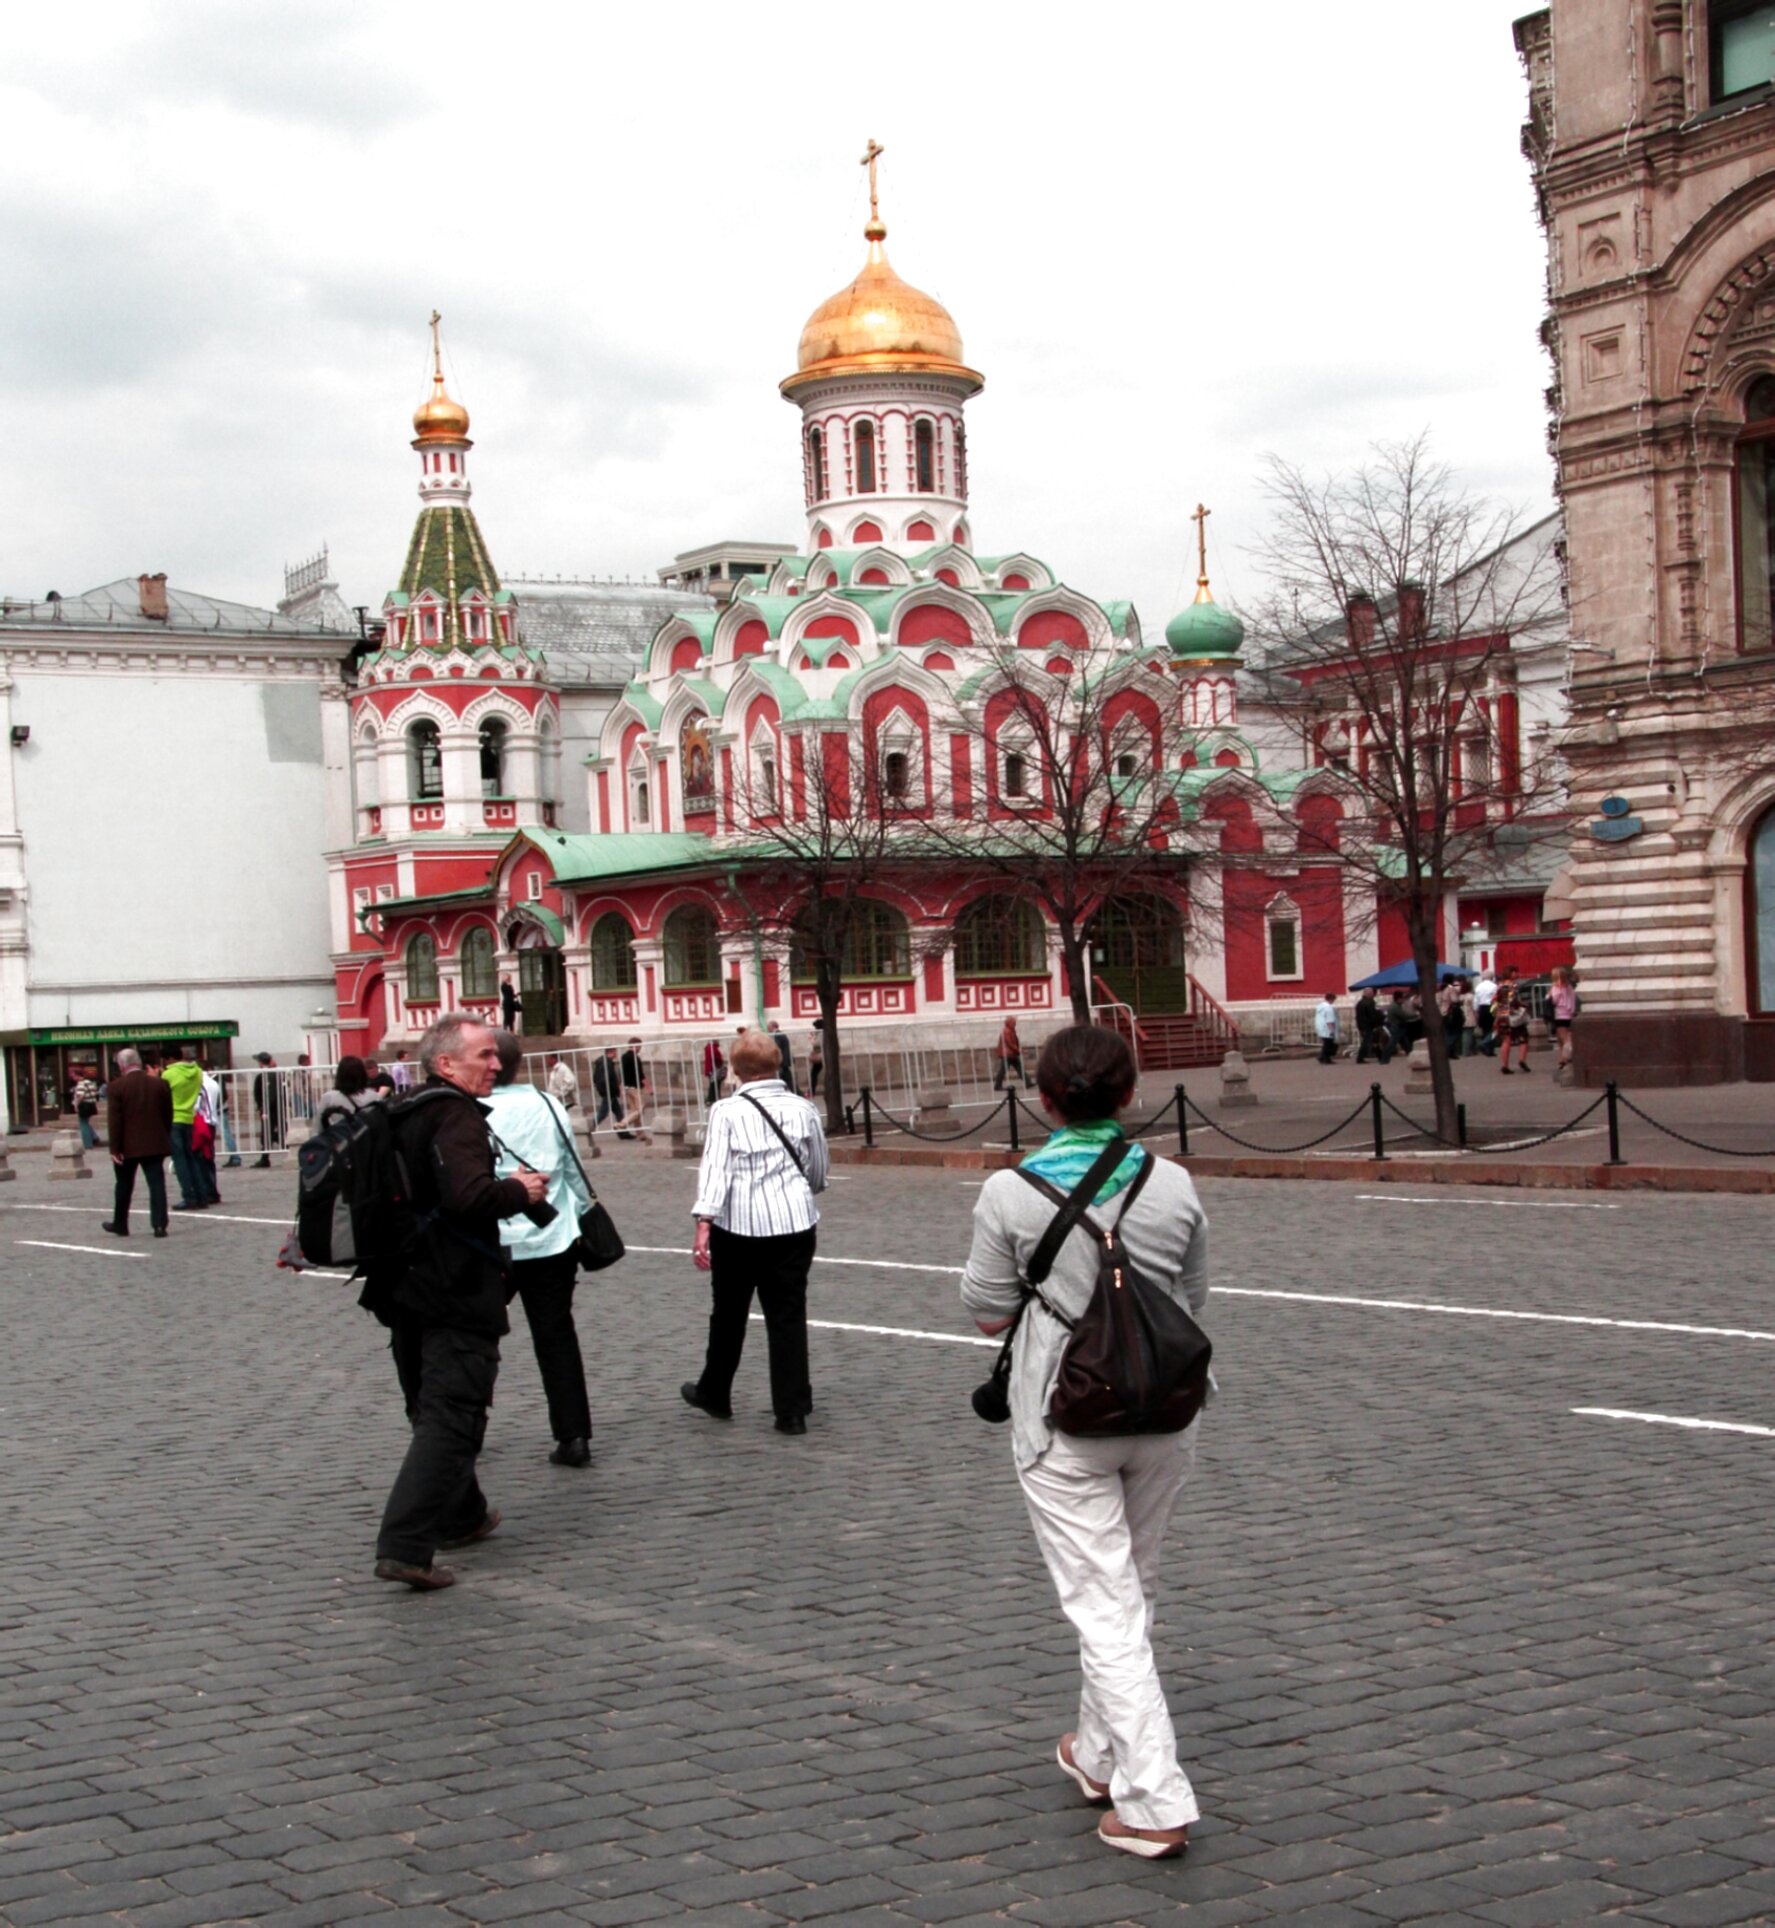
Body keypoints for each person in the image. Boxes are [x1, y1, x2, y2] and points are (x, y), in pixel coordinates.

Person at [961, 1023, 1208, 1861]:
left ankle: (1151, 1796)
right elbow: (1191, 1295)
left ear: (1043, 1098)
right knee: (1129, 1589)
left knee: (1103, 1606)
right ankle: (1097, 1753)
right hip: (1166, 1411)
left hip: (1062, 1414)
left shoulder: (1009, 1191)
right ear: (1131, 1092)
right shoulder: (1172, 1182)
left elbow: (988, 1310)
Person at [368, 1015, 547, 1591]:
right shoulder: (453, 1114)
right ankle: (405, 1545)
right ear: (446, 1063)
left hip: (404, 1284)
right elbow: (469, 1197)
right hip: (452, 1285)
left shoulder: (404, 1110)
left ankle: (463, 1513)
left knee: (433, 1404)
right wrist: (520, 1190)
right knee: (453, 1411)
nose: (497, 1064)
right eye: (485, 1056)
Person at [682, 1028, 829, 1434]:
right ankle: (792, 1408)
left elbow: (715, 1172)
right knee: (788, 1314)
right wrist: (801, 1192)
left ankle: (715, 1391)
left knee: (729, 1312)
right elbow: (818, 1168)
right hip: (795, 1224)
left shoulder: (726, 1112)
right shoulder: (803, 1109)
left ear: (737, 1070)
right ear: (776, 1064)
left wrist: (704, 1223)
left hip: (739, 1227)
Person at [487, 1029, 595, 1467]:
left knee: (475, 1337)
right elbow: (572, 1167)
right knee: (556, 1336)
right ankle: (574, 1436)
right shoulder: (548, 1103)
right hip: (553, 1236)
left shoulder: (470, 1110)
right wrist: (585, 1212)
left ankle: (461, 1430)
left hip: (492, 1239)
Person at [101, 1047, 173, 1239]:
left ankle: (121, 1223)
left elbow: (114, 1121)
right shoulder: (160, 1084)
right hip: (154, 1143)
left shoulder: (116, 1087)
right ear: (139, 1063)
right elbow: (168, 1115)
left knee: (123, 1185)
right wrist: (164, 1136)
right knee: (157, 1185)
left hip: (127, 1146)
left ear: (122, 1066)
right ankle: (159, 1225)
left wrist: (114, 1149)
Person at [164, 1045, 208, 1211]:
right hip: (189, 1116)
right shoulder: (196, 1071)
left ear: (169, 1059)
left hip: (174, 1117)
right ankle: (201, 1195)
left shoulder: (168, 1074)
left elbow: (164, 1094)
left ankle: (188, 1196)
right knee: (192, 1158)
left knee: (180, 1160)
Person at [313, 1054, 378, 1132]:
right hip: (366, 1140)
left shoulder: (329, 1097)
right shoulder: (373, 1096)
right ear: (362, 1074)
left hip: (342, 1138)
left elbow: (318, 1128)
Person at [251, 1052, 286, 1167]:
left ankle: (265, 1158)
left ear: (261, 1063)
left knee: (269, 1134)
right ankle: (265, 1157)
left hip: (270, 1109)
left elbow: (268, 1094)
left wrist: (264, 1109)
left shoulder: (266, 1075)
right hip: (276, 1108)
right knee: (276, 1132)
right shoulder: (275, 1073)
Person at [619, 1037, 652, 1143]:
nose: (640, 1048)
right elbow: (641, 1074)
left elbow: (621, 1073)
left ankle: (640, 1134)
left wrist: (621, 1087)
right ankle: (623, 1123)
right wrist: (649, 1088)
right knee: (640, 1109)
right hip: (635, 1087)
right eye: (640, 1046)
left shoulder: (623, 1057)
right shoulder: (635, 1058)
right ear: (636, 1046)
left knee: (635, 1111)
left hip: (627, 1087)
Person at [1549, 966, 1579, 1072]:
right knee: (1563, 1037)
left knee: (1564, 1038)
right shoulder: (1569, 987)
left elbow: (1554, 1001)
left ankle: (1568, 1057)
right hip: (1569, 1014)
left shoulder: (1555, 988)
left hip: (1560, 1015)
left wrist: (1548, 997)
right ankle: (1562, 1059)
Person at [994, 1015, 1033, 1090]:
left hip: (1011, 1054)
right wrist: (1019, 1050)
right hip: (1008, 1054)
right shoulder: (1006, 1031)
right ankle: (997, 1086)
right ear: (1009, 1023)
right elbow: (1010, 1043)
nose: (1015, 1024)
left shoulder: (1010, 1030)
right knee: (1004, 1070)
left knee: (1018, 1068)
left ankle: (1028, 1082)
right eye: (1013, 1022)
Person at [1353, 988, 1391, 1064]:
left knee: (1372, 1041)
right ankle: (1361, 1058)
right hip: (1369, 1025)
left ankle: (1380, 1056)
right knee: (1368, 1041)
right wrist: (1380, 1019)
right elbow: (1373, 1014)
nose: (1373, 994)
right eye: (1372, 993)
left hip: (1363, 1025)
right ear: (1369, 994)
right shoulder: (1370, 1003)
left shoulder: (1360, 1003)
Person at [1498, 991, 1532, 1074]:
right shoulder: (1513, 987)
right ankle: (1522, 1060)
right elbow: (1519, 1002)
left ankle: (1505, 1065)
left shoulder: (1499, 988)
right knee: (1523, 1039)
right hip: (1517, 1020)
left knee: (1506, 1041)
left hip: (1504, 1017)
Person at [71, 1067, 101, 1149]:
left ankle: (87, 1143)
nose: (73, 1078)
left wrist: (76, 1105)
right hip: (91, 1104)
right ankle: (94, 1137)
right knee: (86, 1122)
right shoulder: (89, 1082)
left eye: (73, 1076)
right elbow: (95, 1091)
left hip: (84, 1105)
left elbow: (81, 1095)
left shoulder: (81, 1083)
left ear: (78, 1075)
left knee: (83, 1123)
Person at [767, 1020, 796, 1093]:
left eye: (768, 1027)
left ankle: (796, 1092)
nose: (768, 1029)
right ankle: (795, 1091)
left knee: (787, 1078)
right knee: (787, 1078)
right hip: (783, 1061)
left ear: (773, 1026)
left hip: (783, 1061)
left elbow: (777, 1046)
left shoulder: (779, 1035)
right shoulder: (778, 1034)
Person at [1474, 969, 1499, 1054]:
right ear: (1492, 977)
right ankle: (1486, 1044)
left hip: (1482, 1007)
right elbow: (1496, 999)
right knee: (1494, 1028)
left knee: (1485, 1029)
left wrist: (1476, 1011)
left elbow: (1476, 1001)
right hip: (1491, 1007)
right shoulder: (1494, 986)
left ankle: (1487, 1050)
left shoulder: (1478, 986)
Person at [1313, 992, 1340, 1065]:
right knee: (1328, 1044)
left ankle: (1322, 1057)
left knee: (1325, 1044)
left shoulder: (1320, 1006)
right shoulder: (1329, 1008)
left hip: (1321, 1027)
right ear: (1331, 999)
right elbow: (1329, 1020)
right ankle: (1326, 1058)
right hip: (1327, 1029)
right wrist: (1332, 1030)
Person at [701, 1035, 726, 1108]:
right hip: (714, 1069)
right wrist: (721, 1063)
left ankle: (712, 1098)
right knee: (715, 1085)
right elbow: (716, 1058)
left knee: (713, 1084)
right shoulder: (713, 1048)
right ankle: (713, 1098)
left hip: (711, 1069)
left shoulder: (708, 1048)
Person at [1384, 990, 1409, 1058]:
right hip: (1397, 1025)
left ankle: (1409, 1051)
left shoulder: (1394, 1005)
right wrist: (1414, 1015)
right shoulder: (1396, 1007)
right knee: (1394, 1040)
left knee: (1403, 1040)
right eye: (1402, 998)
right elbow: (1403, 1015)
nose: (1404, 1000)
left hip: (1395, 1025)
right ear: (1399, 998)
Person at [808, 1021, 824, 1098]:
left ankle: (811, 1092)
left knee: (813, 1074)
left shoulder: (821, 1033)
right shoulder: (820, 1033)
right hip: (821, 1057)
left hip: (821, 1057)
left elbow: (817, 1044)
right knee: (814, 1074)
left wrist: (811, 1039)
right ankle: (811, 1091)